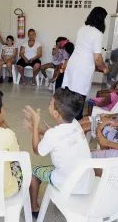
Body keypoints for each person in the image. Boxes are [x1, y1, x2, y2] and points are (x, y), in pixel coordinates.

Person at [23, 87, 94, 218]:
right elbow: (60, 137)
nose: (48, 104)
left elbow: (36, 150)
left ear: (56, 114)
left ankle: (34, 207)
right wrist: (39, 130)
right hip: (86, 183)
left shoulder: (53, 134)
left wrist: (35, 125)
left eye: (50, 103)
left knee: (33, 172)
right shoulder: (75, 124)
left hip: (68, 185)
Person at [62, 7, 109, 120]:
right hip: (83, 66)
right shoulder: (97, 33)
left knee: (71, 91)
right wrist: (104, 68)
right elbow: (97, 57)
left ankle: (67, 117)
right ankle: (76, 120)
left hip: (74, 62)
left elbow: (92, 52)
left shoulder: (82, 28)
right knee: (79, 94)